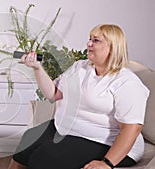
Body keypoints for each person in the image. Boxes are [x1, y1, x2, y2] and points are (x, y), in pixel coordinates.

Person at [8, 24, 150, 169]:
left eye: (96, 40)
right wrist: (37, 68)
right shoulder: (80, 67)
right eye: (89, 39)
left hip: (104, 142)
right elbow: (53, 93)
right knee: (28, 140)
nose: (89, 43)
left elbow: (132, 129)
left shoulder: (127, 82)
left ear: (113, 47)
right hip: (66, 129)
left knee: (46, 156)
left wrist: (107, 163)